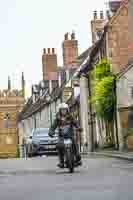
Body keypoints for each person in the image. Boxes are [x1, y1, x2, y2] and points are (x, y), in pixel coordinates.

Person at [49, 103, 82, 168]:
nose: (63, 111)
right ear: (60, 110)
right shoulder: (57, 119)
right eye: (62, 110)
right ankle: (61, 162)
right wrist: (51, 131)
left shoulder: (71, 117)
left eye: (65, 110)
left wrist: (79, 127)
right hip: (61, 136)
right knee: (59, 145)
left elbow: (76, 123)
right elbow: (53, 126)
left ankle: (78, 158)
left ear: (67, 110)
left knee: (75, 143)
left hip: (70, 135)